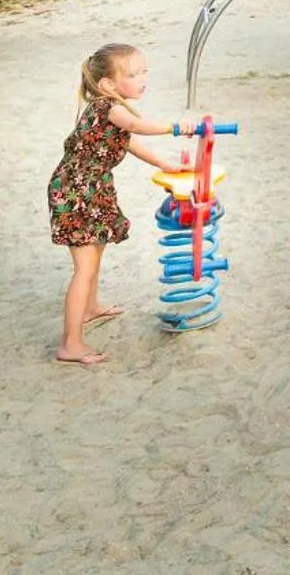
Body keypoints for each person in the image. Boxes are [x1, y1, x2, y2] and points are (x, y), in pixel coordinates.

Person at [48, 43, 184, 365]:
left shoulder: (108, 109)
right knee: (85, 267)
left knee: (96, 253)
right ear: (109, 84)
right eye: (134, 74)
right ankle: (71, 343)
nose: (143, 79)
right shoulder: (109, 106)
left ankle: (91, 308)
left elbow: (130, 141)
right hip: (76, 190)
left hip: (91, 188)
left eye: (144, 71)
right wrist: (178, 127)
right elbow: (136, 128)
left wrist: (164, 165)